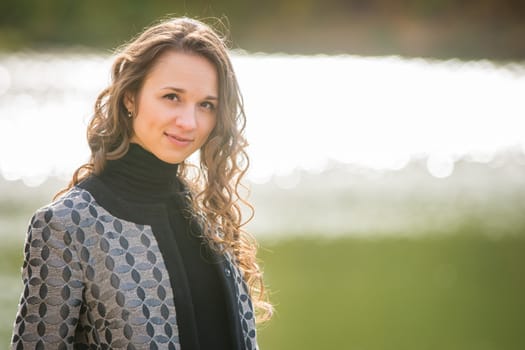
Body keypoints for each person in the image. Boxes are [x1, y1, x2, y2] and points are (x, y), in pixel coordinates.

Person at [11, 16, 272, 350]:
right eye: (172, 97)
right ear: (130, 97)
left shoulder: (211, 218)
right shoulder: (67, 225)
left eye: (206, 105)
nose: (189, 122)